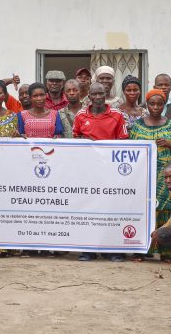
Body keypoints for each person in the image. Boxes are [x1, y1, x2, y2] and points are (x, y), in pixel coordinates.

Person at [73, 82, 128, 262]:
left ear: (106, 94)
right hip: (88, 172)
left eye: (101, 94)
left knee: (111, 210)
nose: (98, 97)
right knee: (89, 209)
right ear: (88, 96)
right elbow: (75, 140)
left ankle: (113, 250)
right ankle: (88, 249)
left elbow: (123, 142)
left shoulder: (117, 115)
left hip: (111, 172)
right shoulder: (81, 115)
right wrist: (83, 140)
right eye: (94, 94)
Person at [129, 89, 171, 259]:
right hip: (143, 175)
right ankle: (142, 250)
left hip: (165, 176)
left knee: (165, 210)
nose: (156, 107)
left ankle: (166, 252)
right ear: (147, 104)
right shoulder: (138, 125)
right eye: (152, 103)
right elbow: (131, 149)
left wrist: (170, 144)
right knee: (144, 211)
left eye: (160, 104)